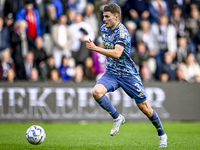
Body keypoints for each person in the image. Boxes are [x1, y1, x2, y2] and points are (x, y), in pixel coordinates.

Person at [85, 3, 167, 147]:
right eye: (103, 16)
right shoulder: (104, 29)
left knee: (145, 108)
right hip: (111, 73)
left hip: (128, 74)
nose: (104, 19)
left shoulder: (122, 32)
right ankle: (117, 117)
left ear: (116, 17)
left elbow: (117, 53)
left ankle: (161, 133)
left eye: (107, 16)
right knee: (96, 92)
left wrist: (96, 48)